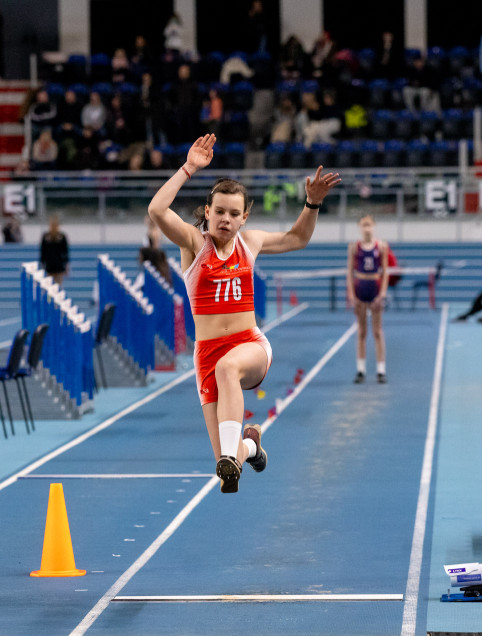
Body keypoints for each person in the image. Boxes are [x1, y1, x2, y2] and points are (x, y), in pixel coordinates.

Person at [148, 133, 340, 493]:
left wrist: (311, 205)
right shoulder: (194, 244)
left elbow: (297, 239)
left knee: (229, 367)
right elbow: (157, 211)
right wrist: (188, 168)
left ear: (244, 218)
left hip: (249, 345)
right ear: (207, 212)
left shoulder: (250, 243)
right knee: (226, 462)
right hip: (206, 356)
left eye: (234, 214)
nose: (225, 219)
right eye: (219, 211)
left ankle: (240, 449)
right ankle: (250, 447)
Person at [347, 214, 389, 384]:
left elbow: (385, 271)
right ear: (359, 227)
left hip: (374, 287)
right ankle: (361, 369)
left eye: (369, 224)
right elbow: (350, 271)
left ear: (374, 226)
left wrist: (383, 293)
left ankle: (381, 370)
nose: (367, 228)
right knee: (362, 331)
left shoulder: (381, 246)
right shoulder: (354, 247)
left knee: (377, 331)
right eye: (364, 225)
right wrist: (351, 294)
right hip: (360, 287)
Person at [139, 216, 172, 286]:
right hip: (147, 256)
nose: (145, 220)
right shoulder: (150, 231)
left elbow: (156, 247)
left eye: (147, 219)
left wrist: (153, 258)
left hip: (152, 257)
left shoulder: (155, 231)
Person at [39, 216, 69, 286]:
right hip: (49, 266)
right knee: (49, 286)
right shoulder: (46, 237)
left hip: (59, 266)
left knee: (58, 286)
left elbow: (65, 252)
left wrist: (66, 267)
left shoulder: (62, 236)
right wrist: (42, 265)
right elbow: (42, 252)